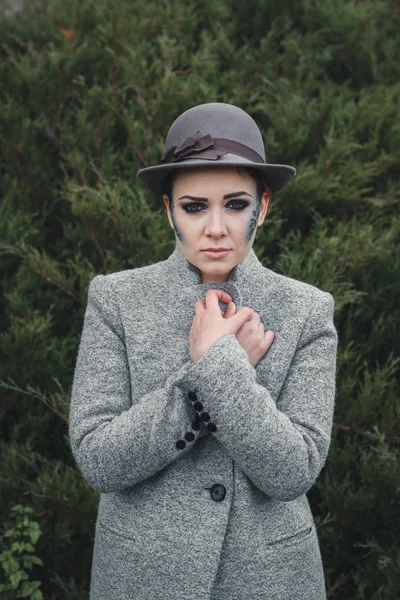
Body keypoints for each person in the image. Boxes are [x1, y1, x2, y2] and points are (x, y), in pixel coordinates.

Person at [68, 102, 338, 599]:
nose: (216, 227)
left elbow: (293, 470)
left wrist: (219, 368)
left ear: (263, 206)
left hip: (269, 579)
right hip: (142, 576)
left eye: (235, 204)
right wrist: (212, 373)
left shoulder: (307, 310)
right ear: (169, 209)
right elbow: (98, 459)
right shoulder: (116, 300)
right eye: (195, 206)